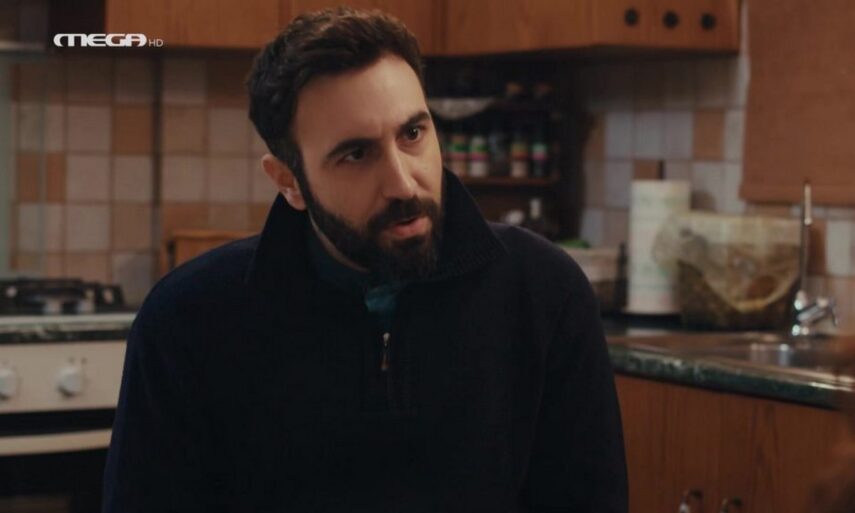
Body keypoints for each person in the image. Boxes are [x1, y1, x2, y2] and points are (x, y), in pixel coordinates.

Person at [103, 7, 627, 512]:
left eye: (413, 134)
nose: (403, 183)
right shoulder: (188, 320)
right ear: (288, 181)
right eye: (356, 154)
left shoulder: (544, 293)